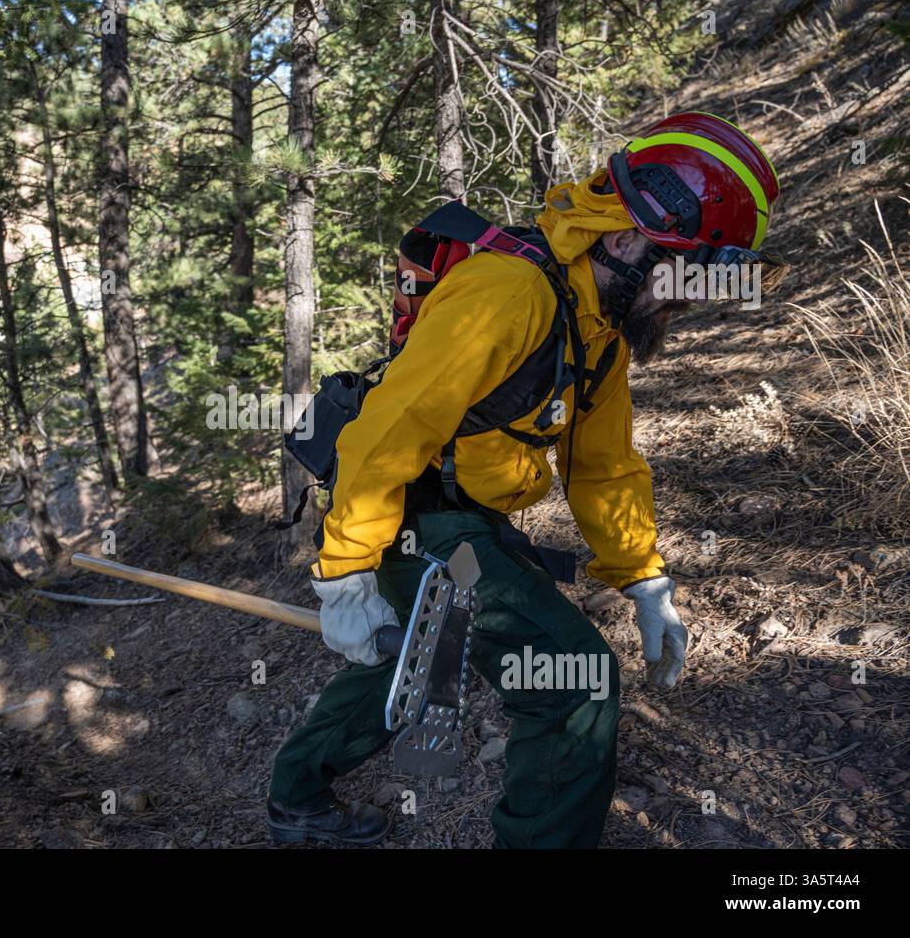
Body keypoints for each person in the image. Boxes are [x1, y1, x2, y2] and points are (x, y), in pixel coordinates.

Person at [266, 111, 780, 847]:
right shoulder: (511, 294)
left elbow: (602, 466)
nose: (692, 298)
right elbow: (390, 432)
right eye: (689, 272)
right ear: (632, 238)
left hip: (462, 515)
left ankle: (296, 799)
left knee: (399, 653)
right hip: (414, 512)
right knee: (574, 682)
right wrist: (346, 571)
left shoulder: (600, 325)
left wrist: (644, 580)